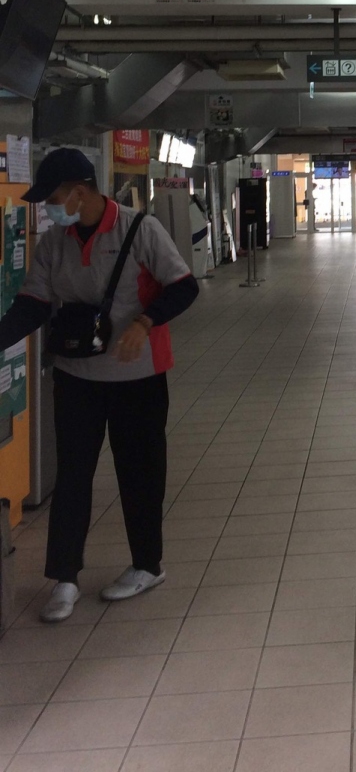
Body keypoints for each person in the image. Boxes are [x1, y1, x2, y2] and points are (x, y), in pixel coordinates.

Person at [0, 148, 199, 623]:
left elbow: (184, 286)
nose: (49, 208)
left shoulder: (140, 228)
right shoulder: (55, 242)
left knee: (140, 472)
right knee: (73, 475)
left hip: (138, 377)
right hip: (76, 377)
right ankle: (64, 578)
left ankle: (147, 565)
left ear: (80, 191)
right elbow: (32, 303)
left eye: (53, 198)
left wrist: (144, 322)